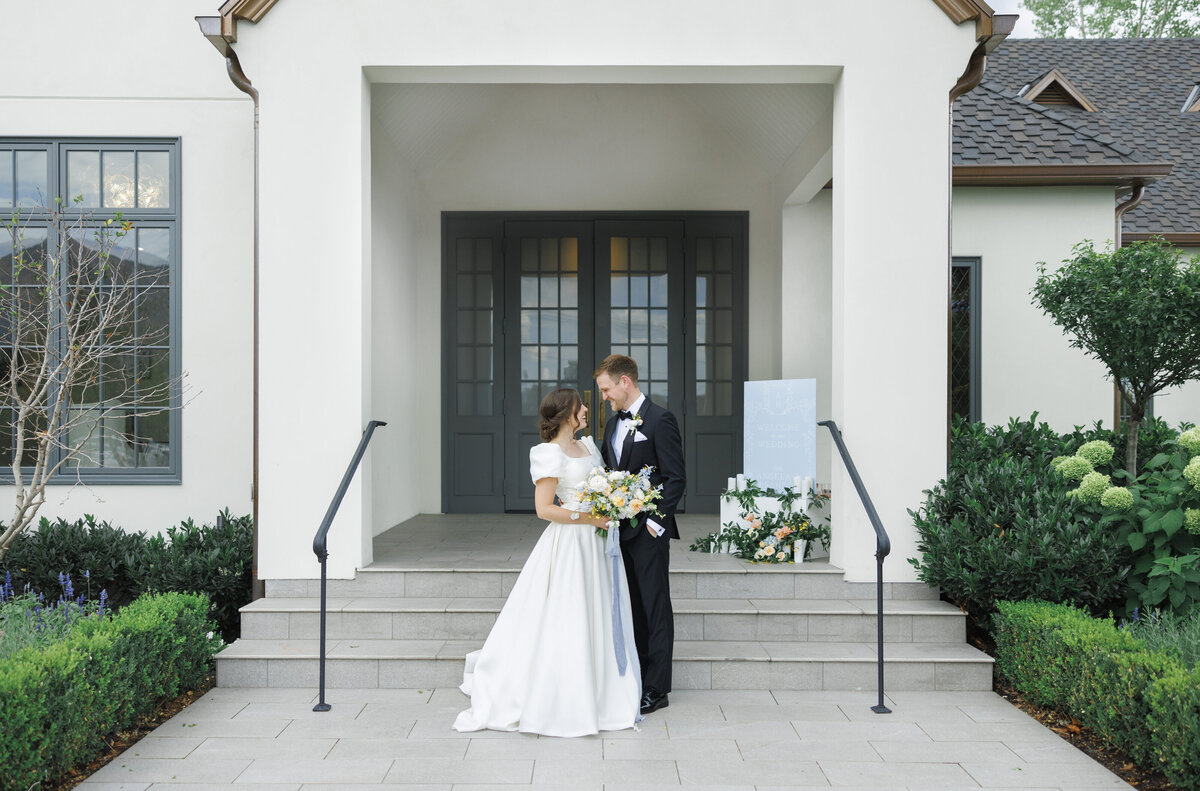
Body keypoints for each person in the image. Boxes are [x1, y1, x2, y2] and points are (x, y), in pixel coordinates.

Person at [453, 388, 641, 737]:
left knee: (597, 608)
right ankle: (565, 690)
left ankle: (602, 684)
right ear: (566, 414)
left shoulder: (589, 446)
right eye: (581, 407)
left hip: (597, 545)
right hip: (571, 543)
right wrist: (591, 519)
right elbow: (544, 509)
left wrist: (611, 505)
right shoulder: (547, 454)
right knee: (568, 611)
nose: (587, 409)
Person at [594, 354, 685, 715]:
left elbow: (676, 478)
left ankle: (657, 689)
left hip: (648, 531)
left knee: (654, 606)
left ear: (624, 382)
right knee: (631, 606)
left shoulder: (661, 420)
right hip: (620, 532)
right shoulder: (612, 424)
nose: (604, 397)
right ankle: (637, 676)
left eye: (606, 389)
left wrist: (655, 523)